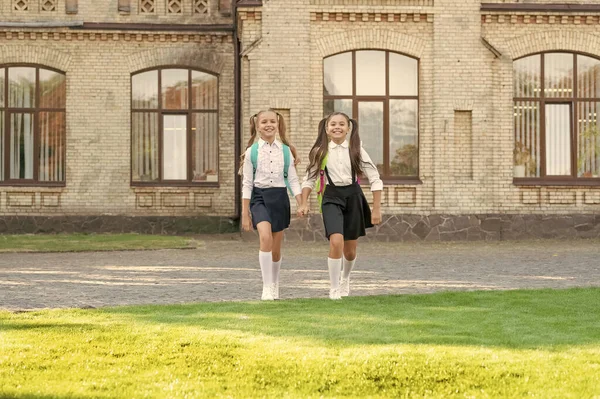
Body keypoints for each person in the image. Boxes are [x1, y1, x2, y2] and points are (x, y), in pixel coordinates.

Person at [299, 112, 382, 300]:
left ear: (348, 128)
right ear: (327, 129)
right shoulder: (320, 152)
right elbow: (309, 179)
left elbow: (375, 178)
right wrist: (303, 202)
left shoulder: (356, 150)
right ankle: (334, 287)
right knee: (336, 241)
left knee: (350, 250)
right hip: (331, 197)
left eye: (341, 124)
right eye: (333, 124)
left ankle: (345, 278)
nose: (337, 127)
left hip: (353, 196)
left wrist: (376, 208)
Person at [240, 109, 303, 300]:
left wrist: (301, 203)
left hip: (280, 198)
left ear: (278, 125)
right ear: (257, 126)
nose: (269, 125)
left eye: (272, 122)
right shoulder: (252, 152)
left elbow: (292, 180)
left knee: (276, 249)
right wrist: (245, 213)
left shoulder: (286, 151)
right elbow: (247, 183)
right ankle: (267, 286)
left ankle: (275, 283)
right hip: (259, 198)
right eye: (264, 122)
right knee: (265, 237)